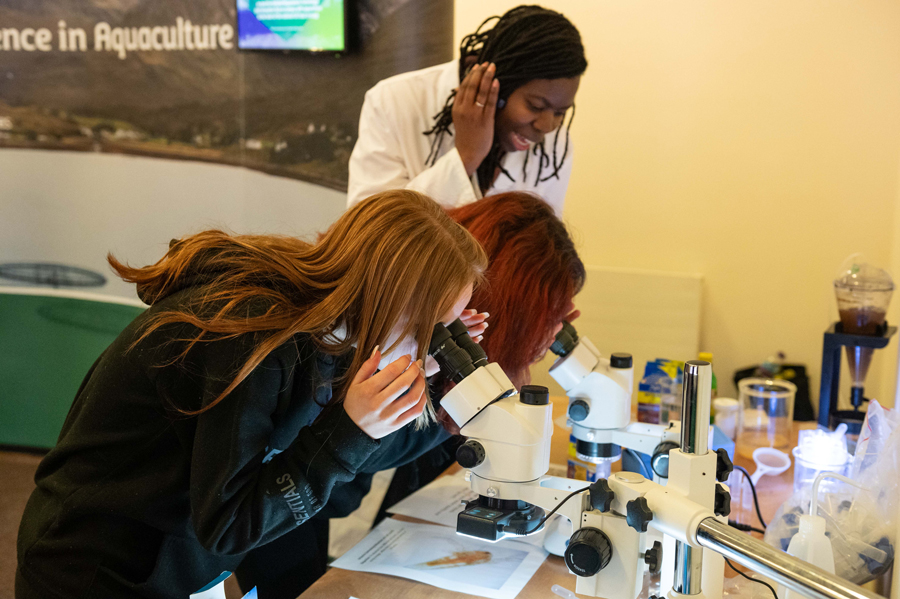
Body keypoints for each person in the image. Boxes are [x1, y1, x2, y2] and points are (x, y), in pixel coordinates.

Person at [15, 190, 488, 599]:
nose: (436, 340)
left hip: (174, 561)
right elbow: (229, 524)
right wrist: (350, 430)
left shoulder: (327, 331)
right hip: (98, 568)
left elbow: (321, 485)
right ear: (389, 298)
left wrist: (417, 357)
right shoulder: (250, 333)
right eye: (433, 325)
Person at [374, 191, 585, 523]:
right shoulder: (401, 367)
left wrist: (529, 342)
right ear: (505, 315)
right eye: (543, 321)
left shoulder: (435, 371)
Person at [347, 5, 587, 216]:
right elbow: (367, 230)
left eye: (560, 113)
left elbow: (542, 247)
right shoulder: (394, 102)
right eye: (535, 106)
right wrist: (466, 157)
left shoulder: (555, 146)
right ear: (497, 83)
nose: (546, 126)